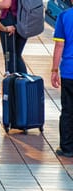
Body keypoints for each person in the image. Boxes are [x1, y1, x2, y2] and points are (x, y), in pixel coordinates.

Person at [51, 2, 73, 158]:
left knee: (68, 109)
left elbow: (60, 45)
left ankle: (67, 147)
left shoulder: (64, 16)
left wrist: (54, 70)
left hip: (69, 71)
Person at [0, 0, 27, 74]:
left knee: (9, 56)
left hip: (9, 20)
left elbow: (6, 4)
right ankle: (24, 82)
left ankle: (11, 82)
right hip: (24, 21)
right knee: (17, 55)